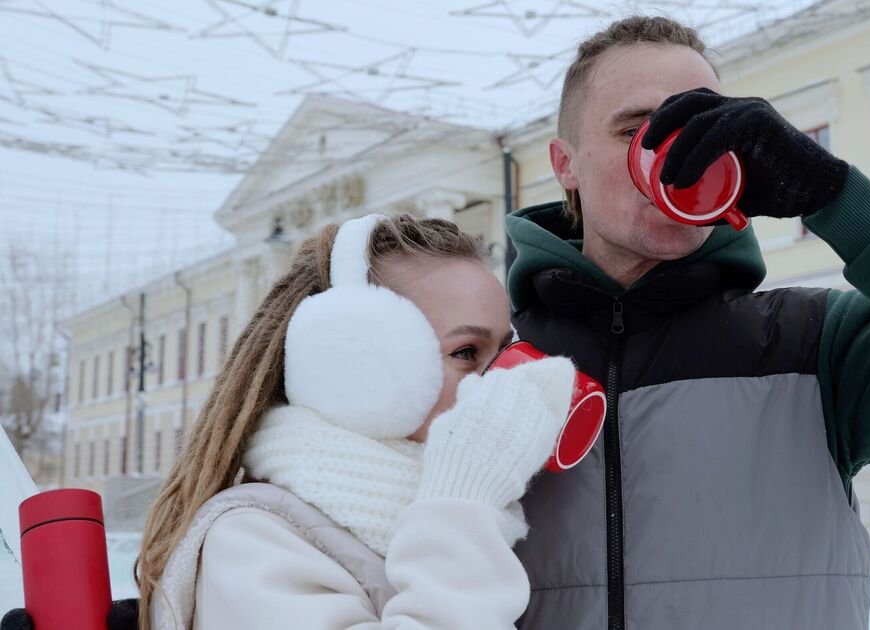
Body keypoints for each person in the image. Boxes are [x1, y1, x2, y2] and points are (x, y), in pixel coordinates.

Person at [503, 16, 870, 630]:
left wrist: (836, 198)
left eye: (694, 125)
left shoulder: (813, 345)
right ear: (564, 164)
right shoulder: (492, 359)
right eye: (635, 129)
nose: (673, 153)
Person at [3, 213, 577, 630]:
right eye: (465, 353)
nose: (501, 380)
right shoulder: (255, 538)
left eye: (505, 349)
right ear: (359, 370)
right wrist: (464, 507)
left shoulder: (493, 516)